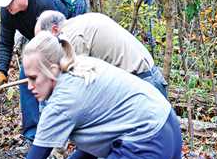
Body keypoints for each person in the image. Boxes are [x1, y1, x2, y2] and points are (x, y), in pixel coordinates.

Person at [19, 31, 183, 159]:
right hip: (167, 122)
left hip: (146, 139)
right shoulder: (80, 67)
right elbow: (101, 140)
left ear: (52, 70)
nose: (29, 86)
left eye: (34, 78)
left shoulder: (61, 102)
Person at [0, 0, 69, 142]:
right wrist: (1, 71)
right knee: (26, 75)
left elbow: (56, 39)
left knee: (55, 80)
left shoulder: (43, 3)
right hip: (38, 41)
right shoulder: (7, 12)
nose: (7, 7)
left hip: (62, 39)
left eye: (10, 1)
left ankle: (59, 129)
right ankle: (32, 133)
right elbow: (5, 42)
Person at [35, 11, 168, 97]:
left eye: (43, 39)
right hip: (147, 77)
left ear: (54, 29)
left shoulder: (72, 38)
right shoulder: (83, 21)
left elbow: (77, 86)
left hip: (143, 84)